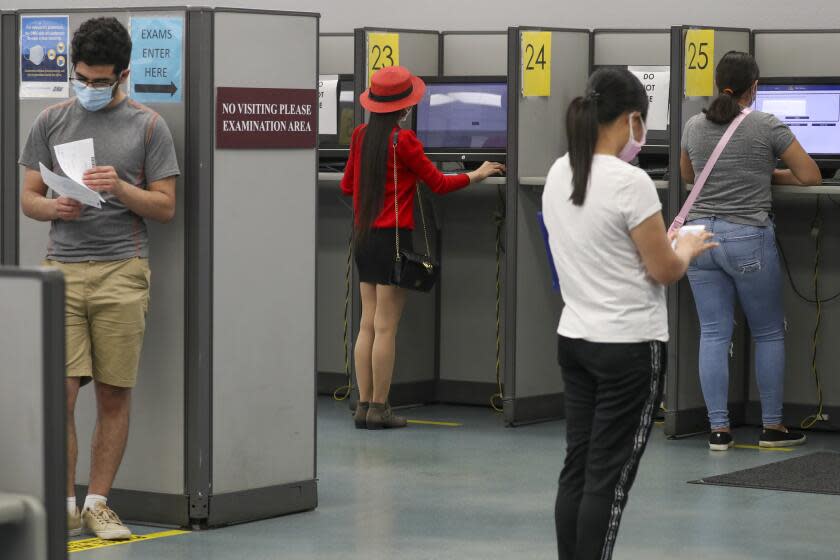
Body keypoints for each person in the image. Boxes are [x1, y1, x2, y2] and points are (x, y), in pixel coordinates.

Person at [542, 67, 716, 560]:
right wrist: (686, 247)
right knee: (609, 480)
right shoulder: (631, 182)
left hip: (575, 340)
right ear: (633, 119)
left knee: (577, 467)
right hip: (630, 349)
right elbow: (663, 269)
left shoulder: (560, 172)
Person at [20, 17, 180, 540]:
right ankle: (63, 503)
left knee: (113, 393)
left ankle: (98, 502)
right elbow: (28, 198)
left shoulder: (148, 126)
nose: (89, 88)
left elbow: (164, 207)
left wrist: (121, 188)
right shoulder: (49, 121)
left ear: (123, 75)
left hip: (121, 270)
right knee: (60, 393)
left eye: (100, 81)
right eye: (82, 78)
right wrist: (53, 208)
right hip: (61, 271)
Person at [341, 66, 504, 429]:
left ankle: (364, 407)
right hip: (393, 238)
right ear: (404, 108)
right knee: (386, 328)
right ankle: (381, 409)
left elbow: (348, 186)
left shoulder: (359, 136)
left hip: (364, 238)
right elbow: (439, 183)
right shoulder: (405, 142)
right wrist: (476, 173)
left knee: (367, 324)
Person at [680, 51, 821, 451]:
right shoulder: (766, 124)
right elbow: (810, 175)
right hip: (747, 237)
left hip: (699, 238)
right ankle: (773, 427)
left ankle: (718, 430)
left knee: (713, 332)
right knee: (768, 332)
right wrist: (768, 174)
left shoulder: (693, 124)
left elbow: (688, 175)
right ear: (754, 88)